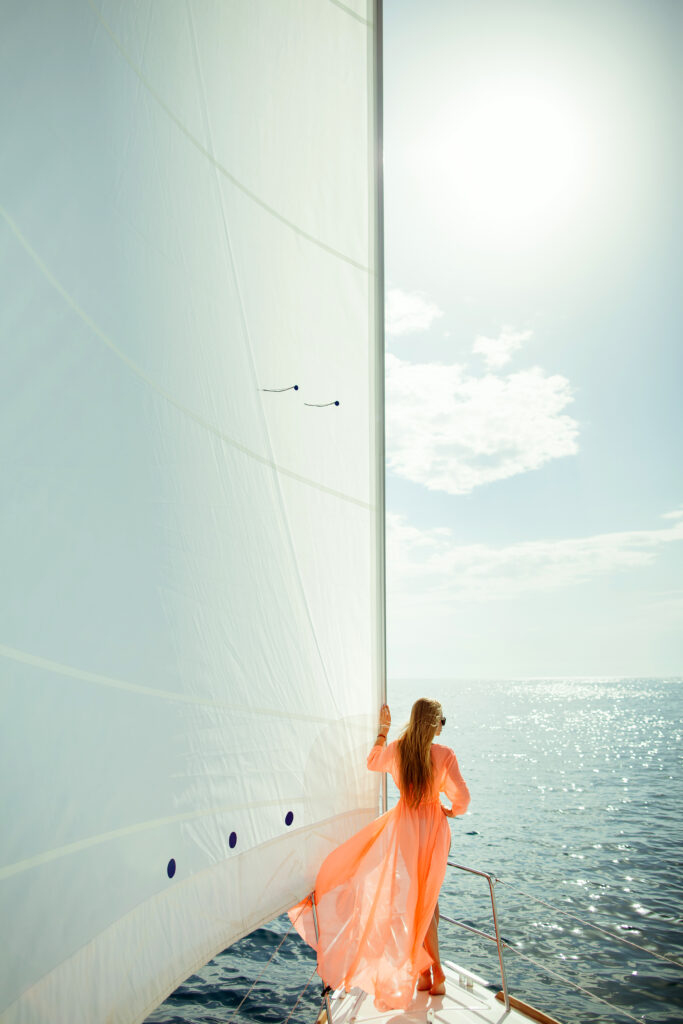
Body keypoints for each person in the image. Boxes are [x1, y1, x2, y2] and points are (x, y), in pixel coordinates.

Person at [289, 697, 470, 1010]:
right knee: (426, 898)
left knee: (424, 900)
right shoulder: (444, 754)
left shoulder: (399, 749)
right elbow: (463, 799)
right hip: (435, 829)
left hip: (406, 828)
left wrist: (383, 732)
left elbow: (373, 762)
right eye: (442, 721)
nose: (443, 727)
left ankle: (427, 971)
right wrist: (450, 811)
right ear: (433, 723)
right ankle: (435, 971)